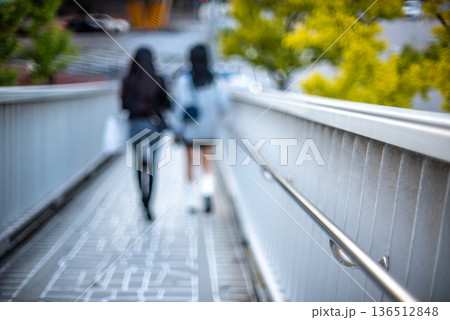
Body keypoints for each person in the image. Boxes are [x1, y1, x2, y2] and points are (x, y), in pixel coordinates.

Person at [172, 44, 229, 213]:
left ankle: (191, 201)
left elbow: (178, 107)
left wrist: (177, 128)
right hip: (209, 129)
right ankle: (207, 192)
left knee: (190, 163)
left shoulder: (184, 81)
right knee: (207, 163)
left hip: (190, 130)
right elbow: (224, 104)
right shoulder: (216, 81)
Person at [121, 47, 170, 220]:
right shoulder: (159, 79)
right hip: (153, 126)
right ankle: (149, 202)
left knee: (138, 163)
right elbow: (167, 105)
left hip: (135, 125)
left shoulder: (128, 80)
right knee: (151, 164)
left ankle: (141, 198)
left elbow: (124, 105)